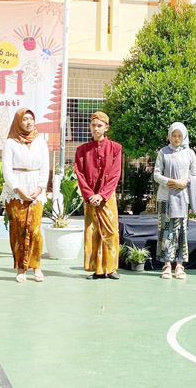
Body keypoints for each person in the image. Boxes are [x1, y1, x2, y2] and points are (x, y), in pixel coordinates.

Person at [1, 108, 50, 283]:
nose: (29, 122)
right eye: (25, 119)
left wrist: (39, 188)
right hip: (16, 193)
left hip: (36, 190)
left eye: (31, 119)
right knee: (18, 229)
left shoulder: (40, 142)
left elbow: (45, 167)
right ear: (18, 122)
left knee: (35, 230)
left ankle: (36, 266)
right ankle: (21, 268)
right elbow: (7, 170)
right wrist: (19, 189)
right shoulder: (11, 143)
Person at [74, 111, 122, 280]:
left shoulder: (116, 148)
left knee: (110, 231)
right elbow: (79, 174)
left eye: (100, 125)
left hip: (107, 198)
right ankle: (97, 270)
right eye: (93, 125)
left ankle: (111, 268)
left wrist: (102, 195)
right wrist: (89, 195)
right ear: (90, 127)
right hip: (90, 199)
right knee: (93, 231)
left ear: (106, 128)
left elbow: (116, 174)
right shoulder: (82, 150)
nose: (96, 128)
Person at [153, 122, 196, 280]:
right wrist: (172, 182)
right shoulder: (163, 152)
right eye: (174, 135)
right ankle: (167, 264)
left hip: (183, 199)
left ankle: (179, 265)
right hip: (165, 199)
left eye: (180, 135)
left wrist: (185, 182)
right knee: (166, 230)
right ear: (169, 136)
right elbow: (157, 175)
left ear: (184, 136)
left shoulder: (190, 153)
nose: (177, 138)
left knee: (181, 232)